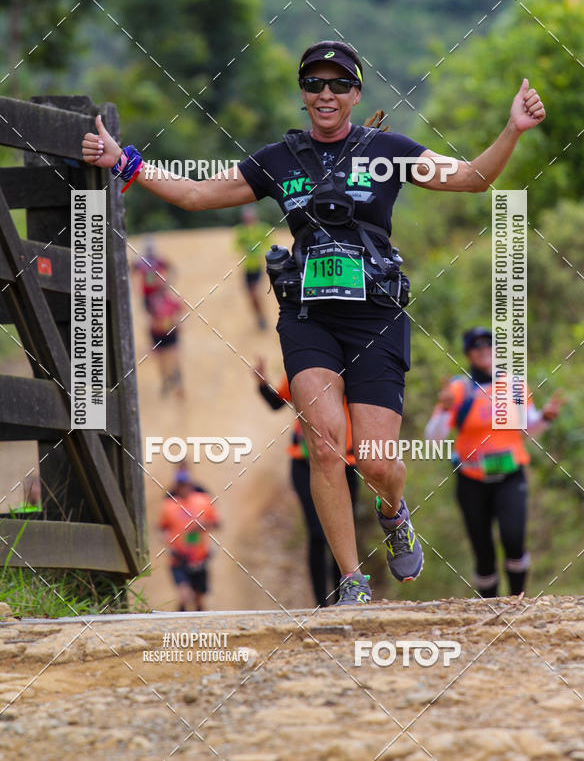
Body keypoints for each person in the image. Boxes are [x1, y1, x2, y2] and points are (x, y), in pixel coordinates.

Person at [82, 38, 546, 604]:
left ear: (356, 93)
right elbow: (199, 194)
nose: (325, 94)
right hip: (307, 318)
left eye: (338, 84)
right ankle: (351, 581)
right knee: (326, 446)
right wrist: (125, 162)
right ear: (303, 93)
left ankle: (394, 512)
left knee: (378, 462)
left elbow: (473, 177)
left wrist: (513, 130)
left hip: (376, 317)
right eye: (314, 84)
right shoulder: (280, 160)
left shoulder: (388, 150)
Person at [425, 327, 565, 597]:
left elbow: (528, 428)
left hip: (510, 475)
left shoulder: (514, 386)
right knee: (483, 551)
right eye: (477, 347)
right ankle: (488, 610)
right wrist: (444, 410)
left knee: (514, 539)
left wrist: (546, 417)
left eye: (490, 346)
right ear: (468, 354)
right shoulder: (459, 389)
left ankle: (517, 601)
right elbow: (434, 438)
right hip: (471, 479)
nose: (485, 352)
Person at [253, 357, 358, 606]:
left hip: (346, 464)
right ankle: (322, 604)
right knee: (317, 533)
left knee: (341, 533)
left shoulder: (351, 372)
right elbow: (277, 403)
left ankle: (345, 598)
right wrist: (261, 384)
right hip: (304, 462)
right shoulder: (302, 370)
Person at [158, 469, 219, 611]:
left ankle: (201, 626)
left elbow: (216, 523)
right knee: (184, 595)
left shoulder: (203, 501)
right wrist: (169, 545)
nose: (183, 488)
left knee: (199, 598)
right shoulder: (169, 506)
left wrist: (203, 525)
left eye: (185, 484)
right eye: (180, 485)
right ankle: (178, 623)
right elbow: (162, 529)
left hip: (199, 557)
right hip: (179, 558)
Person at [233, 205, 271, 330]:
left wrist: (260, 250)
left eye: (250, 217)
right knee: (250, 296)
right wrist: (244, 248)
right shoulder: (240, 230)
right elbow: (235, 247)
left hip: (258, 267)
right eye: (246, 217)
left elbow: (270, 244)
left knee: (255, 293)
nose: (248, 219)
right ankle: (259, 317)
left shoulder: (263, 228)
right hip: (247, 268)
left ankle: (263, 318)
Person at [147, 285, 185, 398]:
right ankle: (166, 382)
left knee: (174, 360)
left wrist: (176, 322)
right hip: (159, 336)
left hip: (171, 335)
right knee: (162, 362)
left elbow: (181, 312)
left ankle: (178, 386)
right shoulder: (154, 303)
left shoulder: (172, 302)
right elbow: (151, 322)